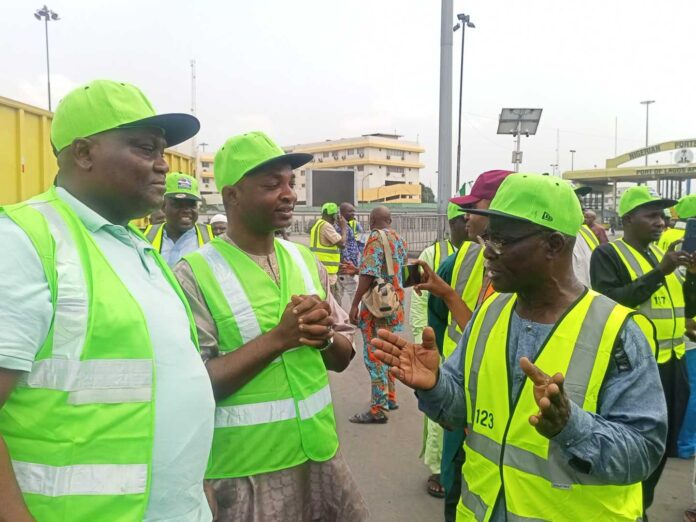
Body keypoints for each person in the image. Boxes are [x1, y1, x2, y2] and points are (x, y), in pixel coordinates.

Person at [374, 173, 667, 521]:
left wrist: (571, 427)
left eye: (501, 241)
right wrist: (436, 386)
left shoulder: (618, 333)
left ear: (553, 245)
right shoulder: (489, 315)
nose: (487, 253)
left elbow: (644, 452)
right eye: (487, 238)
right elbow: (461, 414)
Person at [0, 79, 215, 521]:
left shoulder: (137, 247)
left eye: (163, 152)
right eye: (144, 149)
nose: (162, 166)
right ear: (83, 153)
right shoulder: (24, 241)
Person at [174, 131, 368, 522]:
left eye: (290, 183)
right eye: (271, 185)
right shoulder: (193, 274)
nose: (289, 193)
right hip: (246, 475)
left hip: (320, 456)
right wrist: (280, 338)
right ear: (231, 196)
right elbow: (196, 385)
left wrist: (324, 336)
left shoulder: (304, 261)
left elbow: (343, 356)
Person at [590, 184, 695, 515]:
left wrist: (690, 277)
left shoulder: (659, 258)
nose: (661, 222)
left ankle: (641, 503)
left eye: (663, 216)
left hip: (672, 361)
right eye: (652, 215)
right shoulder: (609, 255)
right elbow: (611, 302)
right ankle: (632, 508)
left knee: (662, 447)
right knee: (637, 446)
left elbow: (685, 307)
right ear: (629, 218)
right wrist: (659, 273)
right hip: (637, 369)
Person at [420, 168, 513, 520]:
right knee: (457, 483)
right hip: (464, 391)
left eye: (473, 208)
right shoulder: (464, 257)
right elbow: (441, 319)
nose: (465, 216)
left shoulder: (519, 273)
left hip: (492, 402)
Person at [410, 201, 468, 499]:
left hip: (470, 352)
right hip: (442, 349)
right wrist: (423, 338)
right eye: (463, 223)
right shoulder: (432, 255)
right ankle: (436, 468)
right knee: (439, 419)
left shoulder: (487, 259)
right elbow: (419, 301)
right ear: (452, 225)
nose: (468, 228)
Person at [349, 206, 408, 423]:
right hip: (394, 304)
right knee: (389, 352)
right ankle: (390, 397)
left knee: (374, 356)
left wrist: (354, 304)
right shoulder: (398, 239)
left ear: (372, 220)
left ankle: (378, 409)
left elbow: (369, 273)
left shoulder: (374, 238)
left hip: (376, 309)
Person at [144, 172, 213, 266]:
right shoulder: (145, 237)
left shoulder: (212, 238)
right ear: (163, 206)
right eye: (178, 204)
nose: (186, 210)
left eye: (192, 205)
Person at [309, 202, 347, 294]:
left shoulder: (317, 224)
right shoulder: (326, 226)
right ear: (334, 216)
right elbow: (342, 244)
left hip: (319, 269)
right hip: (327, 273)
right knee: (332, 303)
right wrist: (343, 228)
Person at [334, 202, 362, 307]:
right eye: (350, 211)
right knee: (353, 293)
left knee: (339, 294)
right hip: (347, 266)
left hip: (348, 266)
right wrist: (348, 263)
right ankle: (356, 317)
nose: (353, 213)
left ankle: (339, 318)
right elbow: (342, 246)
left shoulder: (346, 225)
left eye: (354, 211)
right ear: (342, 213)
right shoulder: (340, 227)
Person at [572, 185, 600, 287]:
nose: (583, 207)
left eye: (582, 202)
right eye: (577, 202)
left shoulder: (586, 231)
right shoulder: (545, 236)